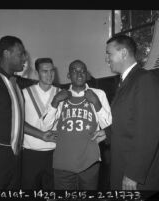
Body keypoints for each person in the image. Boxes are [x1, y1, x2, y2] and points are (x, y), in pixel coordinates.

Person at [0, 36, 55, 190]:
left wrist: (41, 135)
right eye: (21, 54)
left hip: (16, 158)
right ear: (6, 54)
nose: (25, 58)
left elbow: (16, 121)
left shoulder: (16, 82)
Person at [105, 34, 159, 190]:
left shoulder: (144, 80)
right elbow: (127, 121)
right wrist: (106, 134)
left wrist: (133, 174)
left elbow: (148, 132)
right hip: (122, 163)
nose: (107, 59)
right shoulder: (126, 81)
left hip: (136, 174)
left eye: (109, 54)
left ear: (123, 53)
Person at [45, 59, 112, 190]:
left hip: (89, 162)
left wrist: (96, 103)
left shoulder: (98, 94)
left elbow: (109, 126)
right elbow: (46, 126)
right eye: (74, 71)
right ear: (69, 75)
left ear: (87, 75)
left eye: (82, 71)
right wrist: (55, 101)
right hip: (63, 163)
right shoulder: (59, 95)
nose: (79, 74)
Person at [21, 58, 60, 189]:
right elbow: (19, 122)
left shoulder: (61, 94)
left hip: (54, 152)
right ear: (37, 73)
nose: (49, 75)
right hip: (30, 153)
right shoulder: (24, 93)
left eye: (52, 71)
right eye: (45, 71)